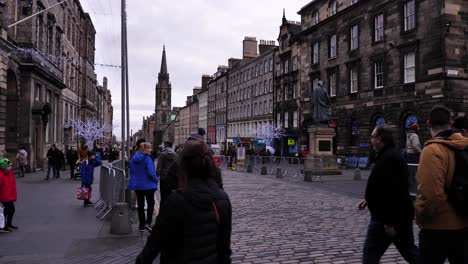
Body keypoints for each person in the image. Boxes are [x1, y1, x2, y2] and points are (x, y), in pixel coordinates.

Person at [135, 140, 232, 264]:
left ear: (184, 165)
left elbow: (154, 245)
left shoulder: (176, 201)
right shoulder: (223, 199)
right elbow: (224, 250)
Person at [358, 125, 418, 264]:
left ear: (380, 139)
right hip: (397, 217)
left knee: (370, 255)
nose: (371, 140)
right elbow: (382, 187)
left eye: (372, 137)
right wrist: (368, 199)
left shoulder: (389, 158)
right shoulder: (387, 155)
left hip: (387, 219)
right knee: (410, 252)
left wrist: (389, 223)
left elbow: (395, 192)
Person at [415, 105, 468, 263]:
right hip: (464, 223)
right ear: (451, 124)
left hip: (437, 227)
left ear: (428, 124)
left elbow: (431, 195)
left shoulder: (432, 150)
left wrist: (420, 216)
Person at [128, 142, 159, 232]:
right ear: (144, 149)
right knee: (151, 204)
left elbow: (132, 171)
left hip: (138, 185)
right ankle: (148, 223)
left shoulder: (134, 158)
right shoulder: (147, 158)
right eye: (149, 148)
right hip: (148, 185)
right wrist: (156, 179)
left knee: (140, 205)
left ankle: (141, 225)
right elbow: (151, 173)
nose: (151, 150)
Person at [0, 158, 18, 232]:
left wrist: (14, 195)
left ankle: (9, 224)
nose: (10, 167)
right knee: (4, 212)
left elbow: (13, 185)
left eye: (10, 166)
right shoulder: (1, 175)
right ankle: (3, 226)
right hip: (3, 197)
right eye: (8, 166)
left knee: (12, 210)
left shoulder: (10, 174)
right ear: (4, 167)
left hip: (10, 197)